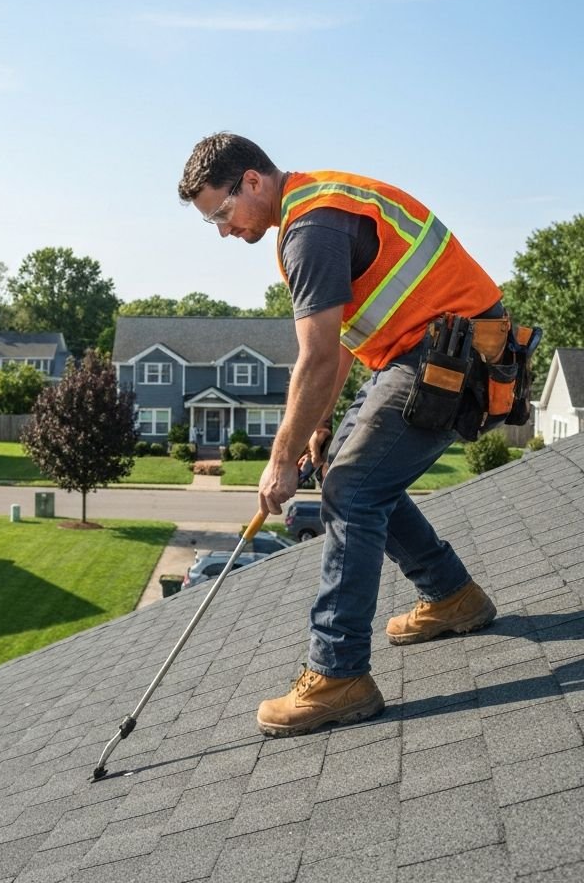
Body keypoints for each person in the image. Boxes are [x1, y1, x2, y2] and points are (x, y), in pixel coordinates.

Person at [178, 132, 501, 737]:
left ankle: (338, 676)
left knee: (354, 490)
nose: (222, 230)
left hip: (451, 356)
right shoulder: (313, 208)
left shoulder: (310, 228)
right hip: (419, 353)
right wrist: (315, 431)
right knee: (345, 472)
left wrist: (278, 461)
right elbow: (348, 337)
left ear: (252, 181)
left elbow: (318, 357)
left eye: (222, 212)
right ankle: (452, 595)